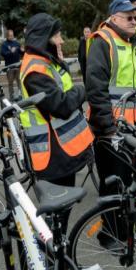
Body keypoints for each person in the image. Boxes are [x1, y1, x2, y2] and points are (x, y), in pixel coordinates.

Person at [86, 0, 136, 231]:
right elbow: (96, 90)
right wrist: (109, 128)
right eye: (129, 17)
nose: (134, 21)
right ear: (114, 17)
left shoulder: (135, 40)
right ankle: (111, 232)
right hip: (110, 129)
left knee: (128, 179)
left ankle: (124, 227)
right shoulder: (102, 42)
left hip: (132, 125)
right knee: (112, 183)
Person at [19, 13, 94, 226]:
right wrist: (82, 91)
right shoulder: (35, 70)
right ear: (44, 39)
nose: (61, 41)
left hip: (61, 152)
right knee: (56, 218)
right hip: (53, 155)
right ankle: (48, 257)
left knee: (62, 214)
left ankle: (55, 255)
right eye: (57, 36)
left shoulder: (44, 61)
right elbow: (60, 105)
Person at [0, 28, 23, 99]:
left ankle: (20, 94)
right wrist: (10, 52)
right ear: (7, 36)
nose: (11, 37)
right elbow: (3, 53)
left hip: (17, 65)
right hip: (9, 67)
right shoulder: (4, 44)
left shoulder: (16, 43)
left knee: (19, 81)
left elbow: (21, 52)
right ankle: (11, 96)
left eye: (12, 35)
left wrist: (22, 51)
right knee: (10, 82)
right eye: (10, 36)